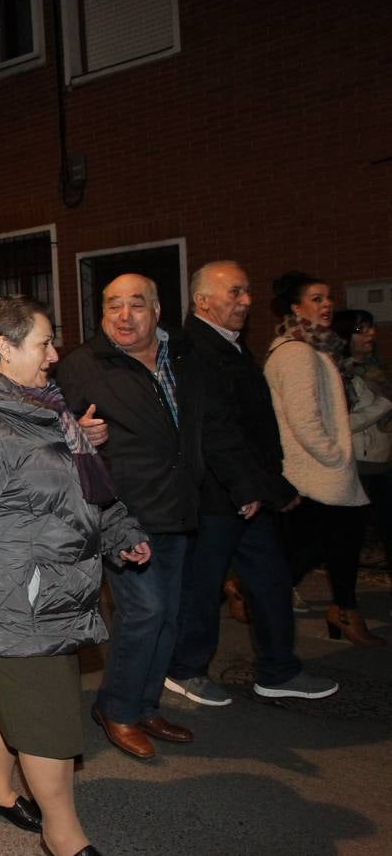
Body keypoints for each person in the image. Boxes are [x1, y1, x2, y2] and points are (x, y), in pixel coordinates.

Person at [0, 295, 149, 856]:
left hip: (53, 589)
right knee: (45, 714)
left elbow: (87, 487)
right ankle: (64, 837)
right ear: (5, 347)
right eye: (44, 342)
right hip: (11, 597)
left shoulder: (45, 409)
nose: (54, 353)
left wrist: (121, 532)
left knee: (10, 698)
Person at [164, 261, 339, 704]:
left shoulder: (230, 345)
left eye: (246, 292)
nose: (246, 301)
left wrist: (267, 486)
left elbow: (249, 426)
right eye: (235, 293)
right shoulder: (195, 350)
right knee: (203, 587)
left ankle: (279, 669)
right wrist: (252, 488)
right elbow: (216, 430)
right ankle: (186, 669)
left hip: (244, 492)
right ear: (203, 301)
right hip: (218, 496)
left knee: (270, 579)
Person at [56, 274, 199, 760]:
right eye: (112, 305)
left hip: (177, 506)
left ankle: (144, 704)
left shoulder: (177, 357)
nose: (123, 315)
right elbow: (52, 433)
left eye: (135, 305)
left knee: (169, 616)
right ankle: (115, 708)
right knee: (145, 612)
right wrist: (77, 432)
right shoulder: (83, 365)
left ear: (156, 311)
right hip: (122, 511)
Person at [264, 271, 379, 645]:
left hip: (318, 473)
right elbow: (304, 418)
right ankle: (255, 593)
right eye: (315, 298)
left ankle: (341, 611)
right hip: (315, 473)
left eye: (328, 298)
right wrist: (336, 456)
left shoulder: (314, 349)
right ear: (296, 307)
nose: (326, 304)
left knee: (325, 546)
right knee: (319, 548)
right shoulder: (297, 353)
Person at [335, 309, 392, 574]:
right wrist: (384, 406)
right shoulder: (340, 373)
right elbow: (342, 423)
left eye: (370, 328)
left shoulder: (376, 370)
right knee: (345, 537)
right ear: (346, 337)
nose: (370, 334)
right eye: (360, 330)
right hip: (358, 464)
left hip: (382, 461)